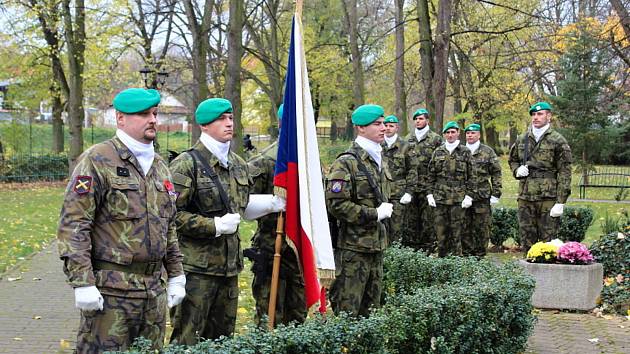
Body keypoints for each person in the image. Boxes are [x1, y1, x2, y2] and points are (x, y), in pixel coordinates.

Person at [57, 88, 185, 353]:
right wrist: (83, 282)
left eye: (154, 113)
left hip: (153, 293)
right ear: (120, 118)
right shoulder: (97, 159)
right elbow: (74, 224)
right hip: (111, 293)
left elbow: (168, 226)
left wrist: (176, 274)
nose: (152, 119)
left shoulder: (160, 166)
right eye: (142, 114)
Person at [168, 98, 284, 344]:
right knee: (187, 340)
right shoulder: (186, 164)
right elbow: (169, 215)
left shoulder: (239, 165)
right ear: (205, 125)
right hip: (196, 271)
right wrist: (214, 226)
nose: (229, 123)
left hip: (229, 269)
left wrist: (271, 203)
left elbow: (240, 206)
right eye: (221, 119)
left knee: (223, 342)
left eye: (231, 118)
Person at [326, 104, 393, 316]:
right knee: (348, 311)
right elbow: (336, 204)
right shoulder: (346, 163)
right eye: (377, 124)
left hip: (376, 247)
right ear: (360, 128)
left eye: (383, 123)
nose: (383, 128)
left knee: (372, 311)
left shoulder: (380, 158)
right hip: (353, 250)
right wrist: (374, 214)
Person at [246, 103, 307, 326]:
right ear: (282, 123)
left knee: (298, 316)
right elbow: (244, 204)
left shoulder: (309, 163)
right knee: (270, 317)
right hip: (273, 249)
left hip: (299, 251)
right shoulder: (264, 162)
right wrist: (271, 204)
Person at [508, 102, 572, 252]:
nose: (535, 117)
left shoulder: (558, 140)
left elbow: (565, 171)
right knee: (526, 239)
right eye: (533, 115)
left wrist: (561, 201)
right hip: (526, 195)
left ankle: (548, 274)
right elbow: (512, 159)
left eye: (540, 114)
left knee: (548, 241)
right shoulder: (522, 138)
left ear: (548, 116)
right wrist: (517, 170)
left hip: (547, 197)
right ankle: (527, 273)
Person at [426, 121, 474, 257]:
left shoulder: (465, 152)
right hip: (440, 199)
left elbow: (472, 176)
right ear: (444, 135)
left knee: (457, 234)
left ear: (458, 133)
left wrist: (469, 196)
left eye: (453, 132)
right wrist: (429, 194)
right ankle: (442, 263)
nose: (450, 135)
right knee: (441, 235)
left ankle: (457, 265)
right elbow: (430, 175)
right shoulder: (438, 152)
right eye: (447, 132)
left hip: (459, 200)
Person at [402, 108, 443, 252]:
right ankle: (412, 250)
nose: (418, 121)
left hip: (428, 187)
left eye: (421, 118)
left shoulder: (436, 139)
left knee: (428, 221)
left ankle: (428, 249)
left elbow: (440, 162)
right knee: (411, 220)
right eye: (416, 119)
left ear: (427, 120)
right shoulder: (407, 139)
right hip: (412, 187)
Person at [462, 123, 502, 257]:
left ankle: (480, 255)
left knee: (482, 228)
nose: (470, 135)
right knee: (464, 227)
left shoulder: (487, 151)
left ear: (479, 135)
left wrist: (496, 193)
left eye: (473, 133)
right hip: (463, 196)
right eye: (468, 133)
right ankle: (466, 256)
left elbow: (496, 172)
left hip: (482, 196)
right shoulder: (460, 150)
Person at [381, 115, 413, 243]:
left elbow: (412, 170)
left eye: (391, 126)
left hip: (398, 194)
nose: (388, 128)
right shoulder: (378, 145)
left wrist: (409, 192)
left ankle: (395, 257)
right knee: (382, 227)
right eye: (386, 126)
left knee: (396, 228)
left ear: (397, 128)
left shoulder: (405, 146)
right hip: (381, 192)